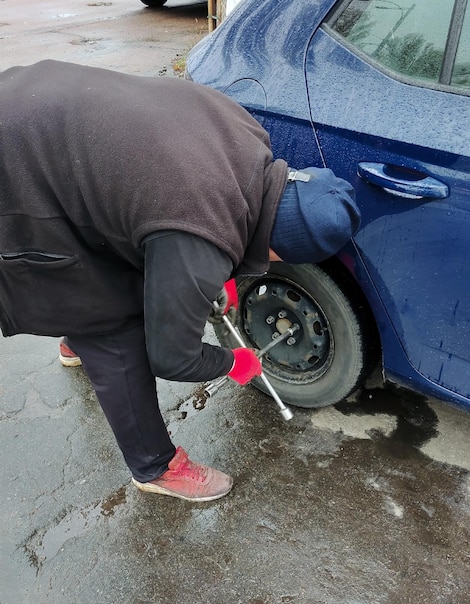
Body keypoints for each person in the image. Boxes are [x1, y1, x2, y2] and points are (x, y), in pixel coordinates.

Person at [0, 60, 360, 502]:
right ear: (280, 249)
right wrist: (233, 362)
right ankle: (154, 467)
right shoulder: (198, 233)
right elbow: (170, 358)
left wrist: (218, 270)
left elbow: (159, 207)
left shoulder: (245, 135)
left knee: (111, 244)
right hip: (16, 173)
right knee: (113, 329)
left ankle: (77, 341)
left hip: (30, 100)